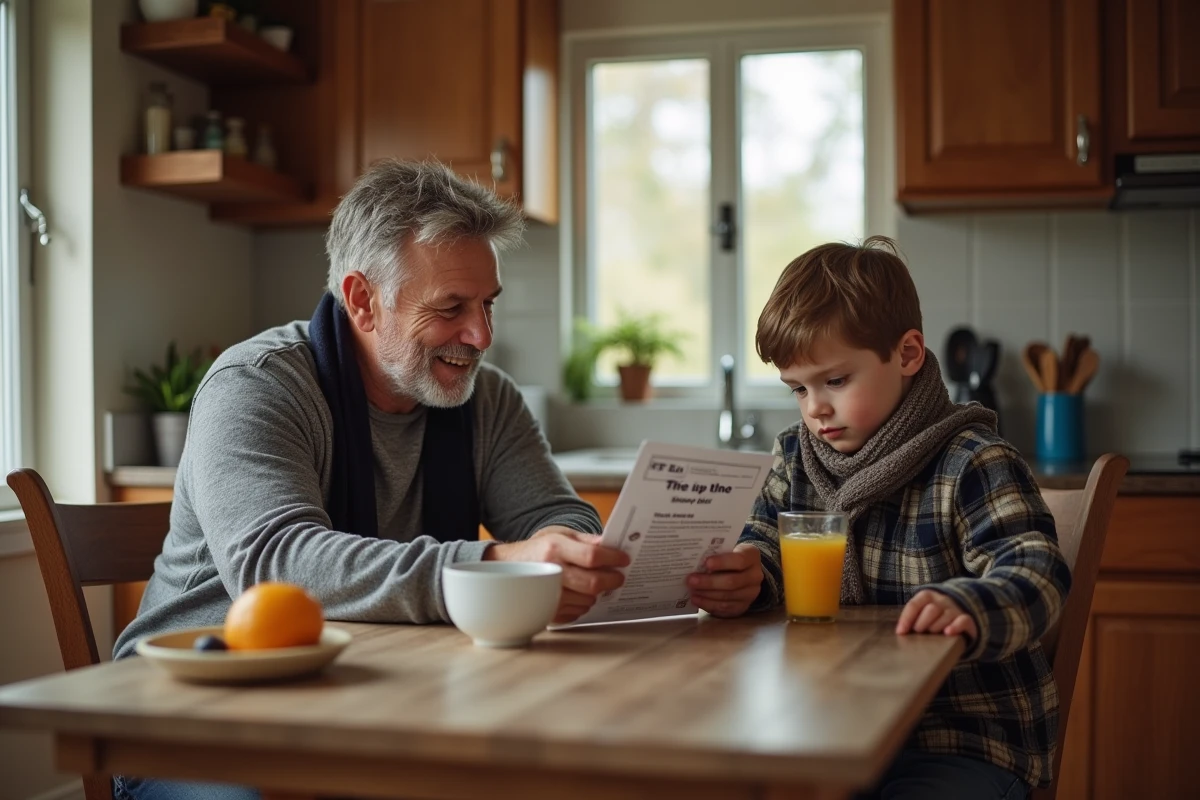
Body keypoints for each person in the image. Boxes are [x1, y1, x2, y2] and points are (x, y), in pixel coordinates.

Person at [112, 159, 629, 800]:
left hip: (370, 694)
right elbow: (277, 563)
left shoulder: (486, 399)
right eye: (451, 307)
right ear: (362, 300)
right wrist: (491, 568)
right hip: (189, 713)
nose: (481, 335)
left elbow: (560, 516)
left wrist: (568, 552)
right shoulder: (257, 385)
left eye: (487, 305)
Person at [685, 236, 1071, 799]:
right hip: (830, 726)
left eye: (836, 381)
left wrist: (970, 604)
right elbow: (764, 543)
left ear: (908, 354)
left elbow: (1038, 571)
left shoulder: (971, 459)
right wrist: (749, 574)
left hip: (963, 737)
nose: (816, 407)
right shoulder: (793, 457)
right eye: (799, 388)